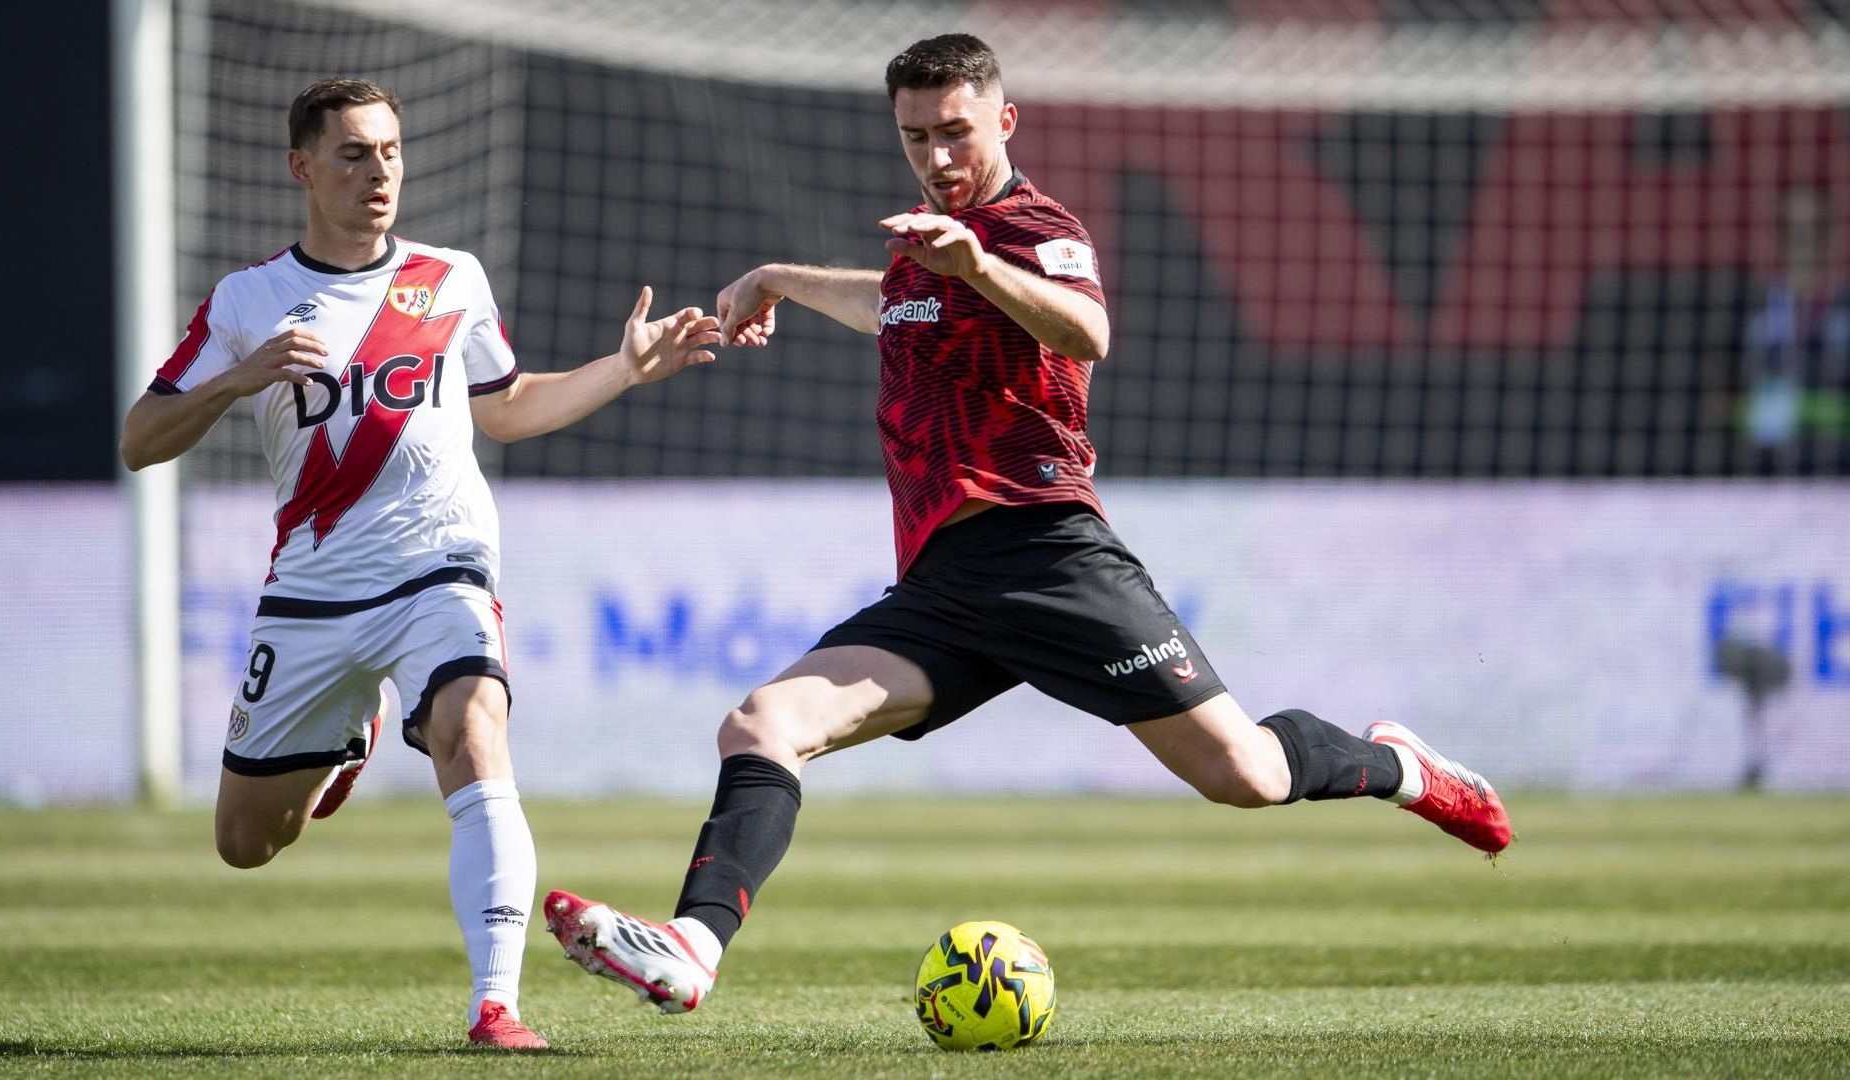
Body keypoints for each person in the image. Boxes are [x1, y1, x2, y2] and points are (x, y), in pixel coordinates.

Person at [541, 34, 1513, 1014]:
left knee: (1248, 776)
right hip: (945, 588)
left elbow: (1085, 330)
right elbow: (898, 310)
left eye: (955, 131)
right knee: (761, 723)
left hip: (1052, 557)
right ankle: (693, 946)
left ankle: (1397, 766)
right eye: (916, 137)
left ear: (1004, 121)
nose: (937, 155)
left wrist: (979, 264)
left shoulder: (1033, 227)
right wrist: (779, 278)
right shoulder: (924, 247)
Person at [118, 77, 720, 1048]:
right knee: (245, 844)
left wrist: (626, 368)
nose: (378, 172)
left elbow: (509, 407)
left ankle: (497, 1006)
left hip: (444, 568)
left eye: (390, 150)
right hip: (313, 595)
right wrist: (238, 378)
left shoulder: (450, 279)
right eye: (353, 153)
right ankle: (351, 732)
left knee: (475, 733)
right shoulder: (248, 300)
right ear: (301, 168)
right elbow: (141, 440)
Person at [1737, 185, 1849, 474]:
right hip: (1765, 476)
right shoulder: (1750, 305)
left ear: (1831, 237)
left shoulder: (1844, 305)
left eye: (1814, 231)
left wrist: (1805, 409)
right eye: (1793, 231)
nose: (1803, 243)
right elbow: (1721, 395)